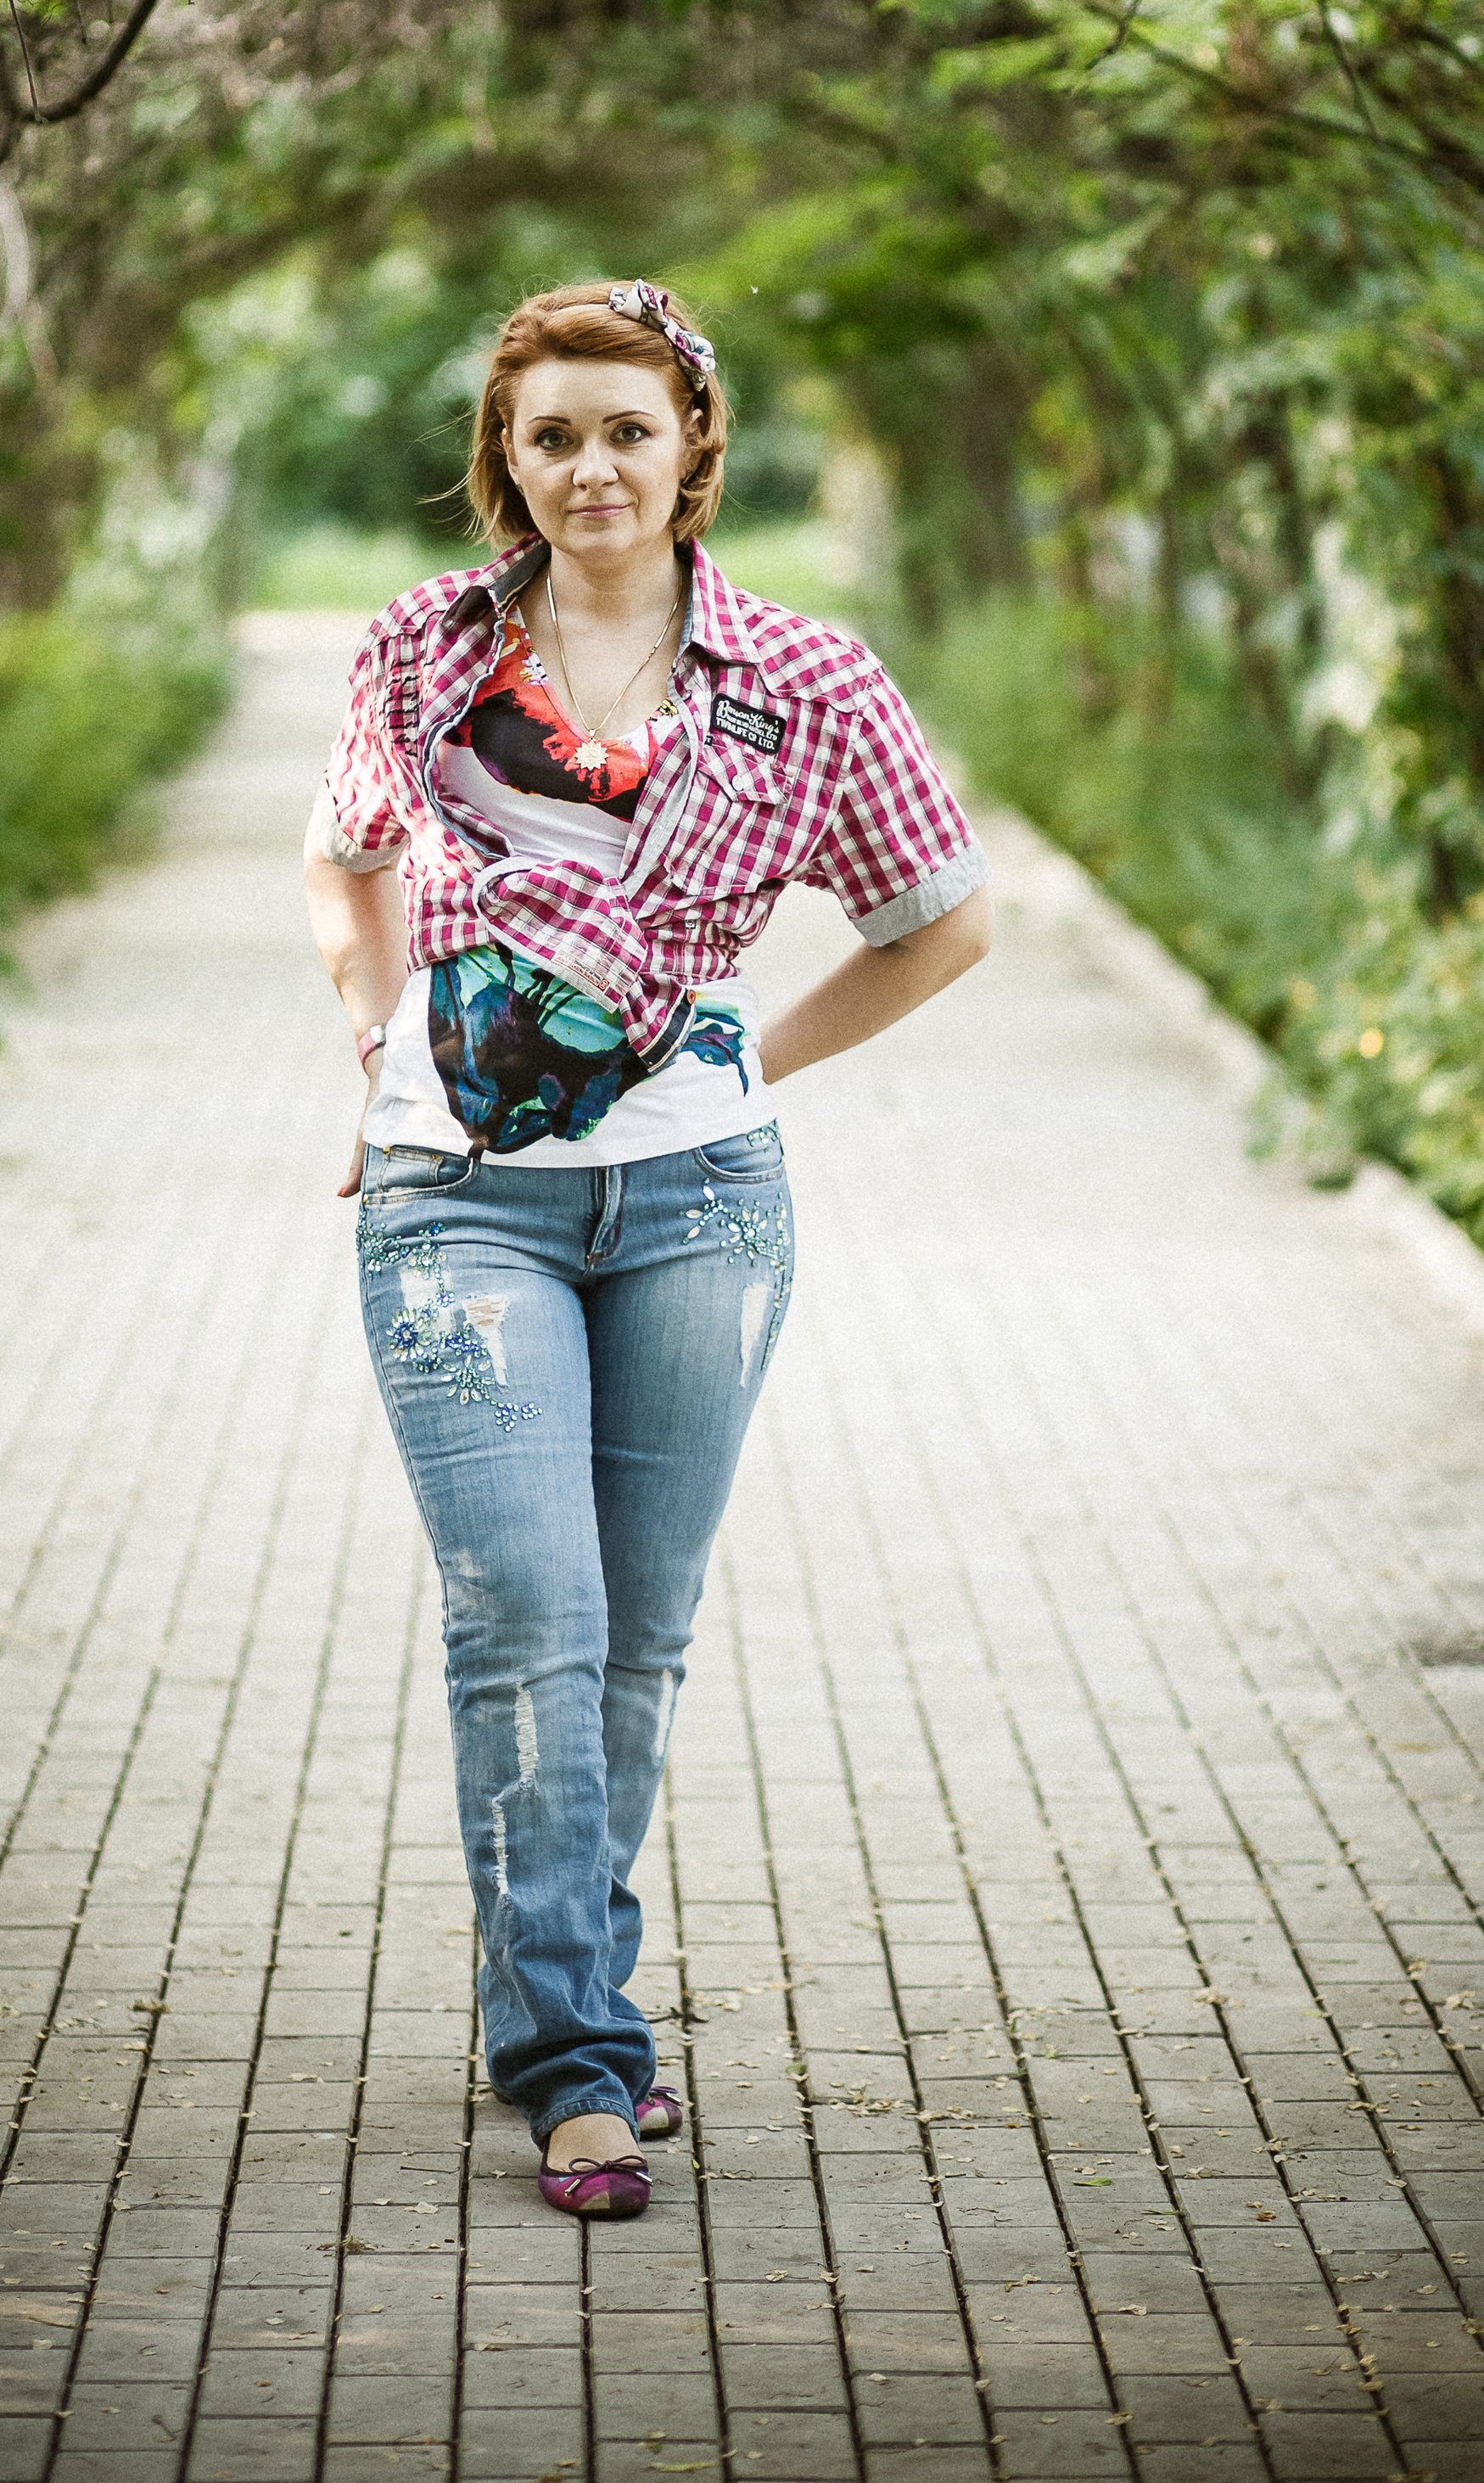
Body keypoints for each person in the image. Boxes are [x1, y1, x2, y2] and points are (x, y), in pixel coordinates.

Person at [302, 279, 992, 2220]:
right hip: (454, 1196)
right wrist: (375, 1055)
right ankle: (579, 2065)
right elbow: (341, 859)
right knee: (527, 1614)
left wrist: (742, 1062)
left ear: (693, 439)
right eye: (548, 436)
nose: (587, 466)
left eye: (623, 427)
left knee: (636, 1634)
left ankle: (565, 1993)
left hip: (700, 1200)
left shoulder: (805, 683)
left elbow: (939, 921)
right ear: (502, 466)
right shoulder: (418, 660)